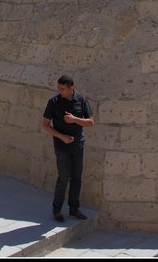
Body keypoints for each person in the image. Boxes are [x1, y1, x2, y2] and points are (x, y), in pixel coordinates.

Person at [41, 75, 94, 222]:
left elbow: (91, 122)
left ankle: (74, 208)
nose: (60, 91)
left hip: (78, 145)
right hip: (61, 146)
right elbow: (45, 125)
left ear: (72, 88)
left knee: (77, 177)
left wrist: (75, 120)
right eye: (59, 88)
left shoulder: (81, 100)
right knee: (64, 177)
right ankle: (57, 210)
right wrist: (61, 137)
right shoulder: (53, 102)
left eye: (63, 89)